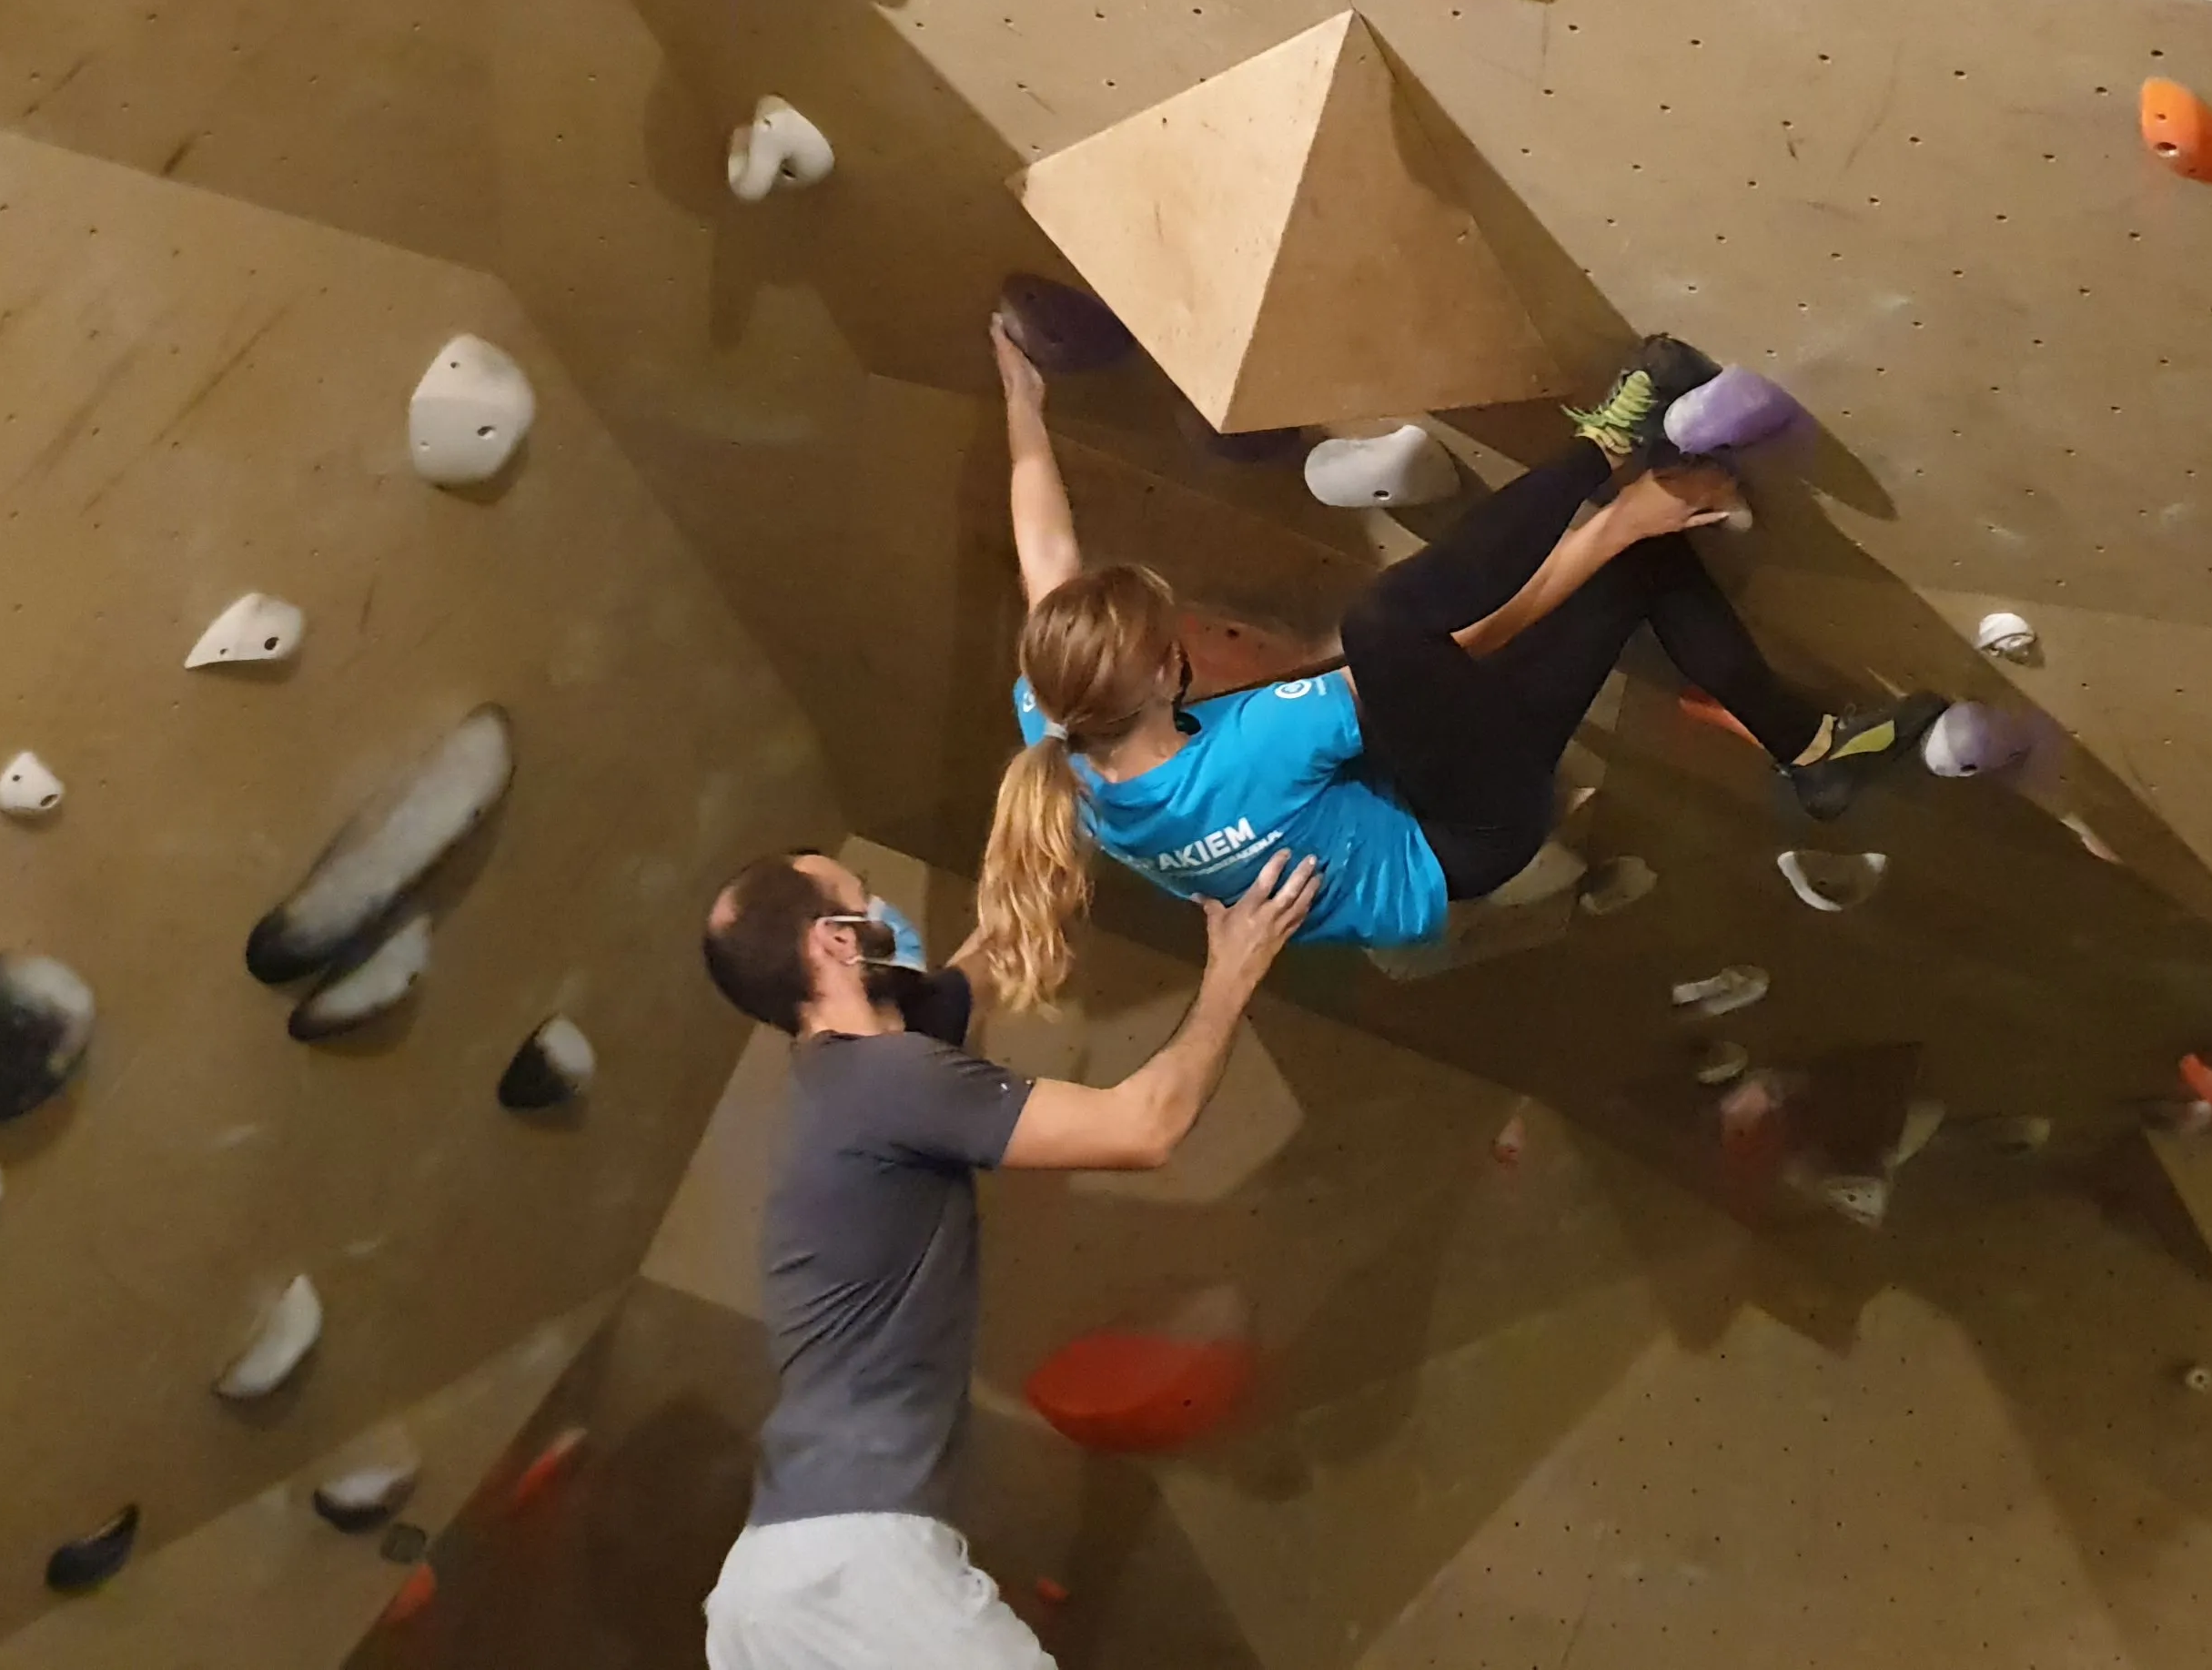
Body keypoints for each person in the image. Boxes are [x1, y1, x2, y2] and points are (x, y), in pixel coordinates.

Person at [968, 318, 1939, 1007]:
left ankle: (1811, 752)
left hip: (1389, 794)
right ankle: (1604, 442)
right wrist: (1603, 529)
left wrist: (1024, 401)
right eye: (1176, 637)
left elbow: (1045, 555)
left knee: (1643, 574)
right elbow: (1469, 643)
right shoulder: (1258, 744)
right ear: (1158, 680)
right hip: (1464, 840)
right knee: (1389, 624)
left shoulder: (1061, 712)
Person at [692, 843, 1322, 1670]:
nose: (886, 915)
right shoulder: (891, 1081)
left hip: (779, 1583)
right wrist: (1236, 968)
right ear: (837, 943)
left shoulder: (848, 1077)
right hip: (855, 1568)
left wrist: (1066, 804)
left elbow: (988, 954)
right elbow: (1144, 1127)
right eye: (865, 900)